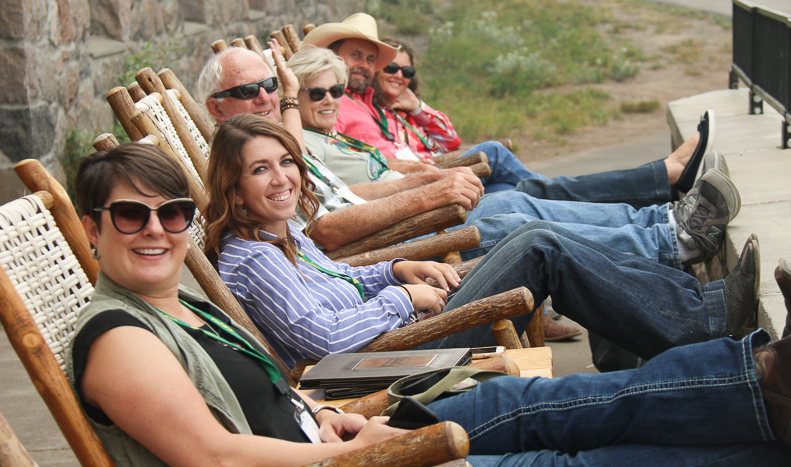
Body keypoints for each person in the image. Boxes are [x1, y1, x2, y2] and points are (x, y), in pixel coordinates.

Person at [65, 141, 791, 467]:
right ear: (93, 227)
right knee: (554, 451)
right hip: (351, 433)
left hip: (344, 418)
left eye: (171, 212)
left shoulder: (190, 304)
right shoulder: (120, 336)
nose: (156, 229)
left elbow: (275, 389)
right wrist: (348, 449)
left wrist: (328, 417)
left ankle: (769, 387)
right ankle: (766, 388)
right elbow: (216, 457)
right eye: (130, 216)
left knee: (544, 397)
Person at [205, 114, 760, 367]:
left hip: (401, 330)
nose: (281, 178)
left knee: (535, 235)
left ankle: (685, 315)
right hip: (393, 360)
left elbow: (341, 280)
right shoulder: (252, 258)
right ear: (233, 189)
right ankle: (700, 318)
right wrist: (402, 300)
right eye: (260, 170)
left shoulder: (285, 235)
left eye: (286, 163)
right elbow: (322, 341)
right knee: (536, 244)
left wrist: (396, 271)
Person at [277, 46, 736, 272]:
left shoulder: (329, 133)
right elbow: (326, 224)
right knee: (522, 214)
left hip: (426, 206)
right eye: (316, 92)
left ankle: (664, 223)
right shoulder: (293, 148)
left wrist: (418, 171)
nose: (334, 97)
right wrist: (424, 190)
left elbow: (425, 145)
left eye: (338, 89)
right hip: (405, 238)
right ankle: (666, 233)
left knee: (525, 201)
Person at [301, 12, 714, 205]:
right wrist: (428, 171)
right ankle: (660, 185)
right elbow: (377, 169)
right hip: (422, 187)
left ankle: (658, 186)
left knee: (523, 192)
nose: (370, 68)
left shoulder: (373, 103)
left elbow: (449, 138)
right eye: (358, 57)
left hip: (432, 175)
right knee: (516, 180)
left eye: (372, 61)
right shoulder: (331, 114)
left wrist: (417, 105)